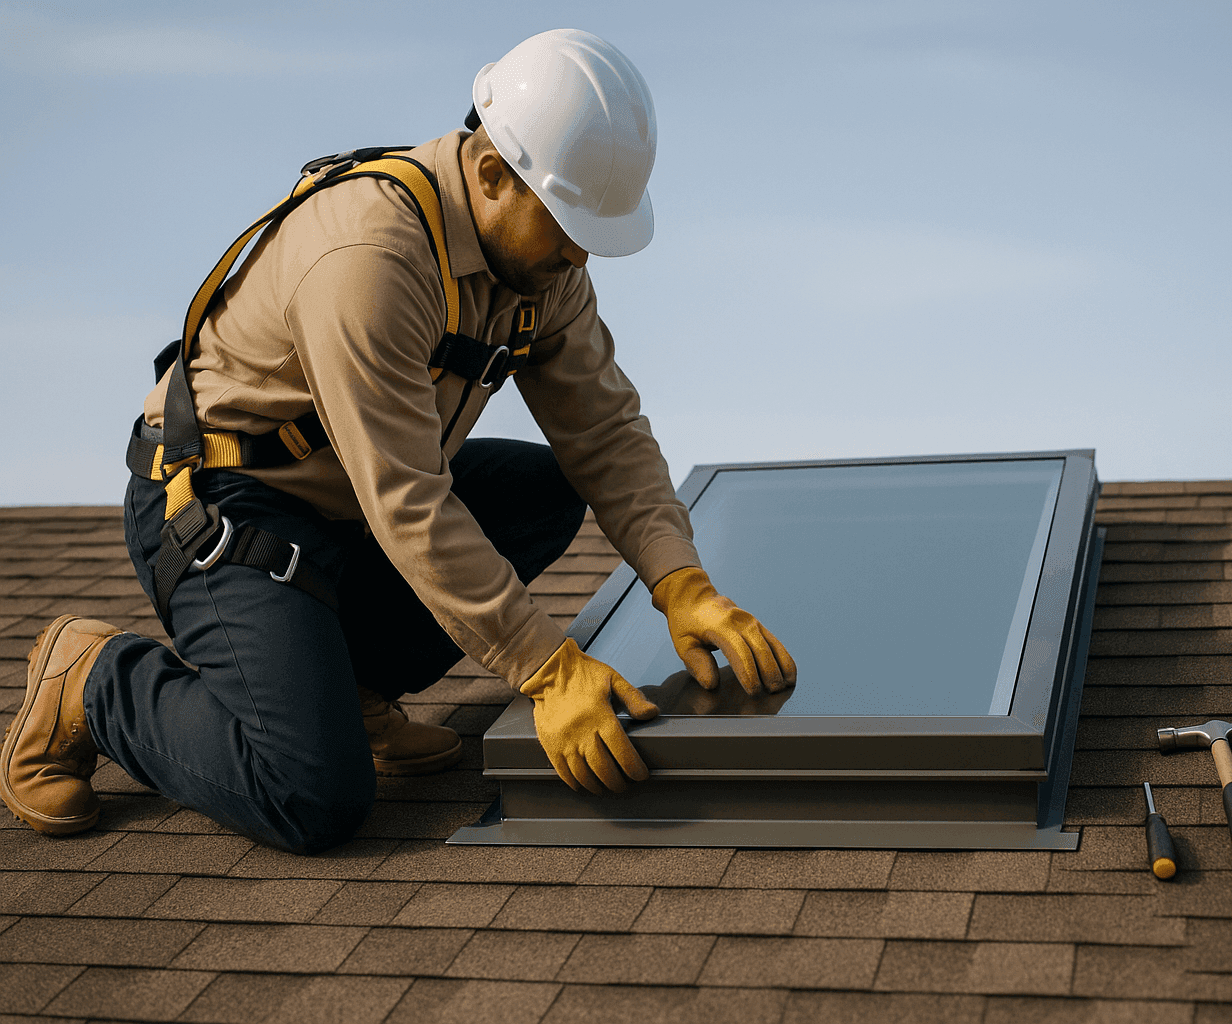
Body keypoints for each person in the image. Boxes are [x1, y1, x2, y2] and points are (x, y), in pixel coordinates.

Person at [0, 29, 794, 854]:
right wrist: (548, 670)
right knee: (312, 796)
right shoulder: (367, 259)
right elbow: (409, 497)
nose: (579, 252)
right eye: (566, 224)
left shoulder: (543, 264)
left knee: (545, 493)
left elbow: (603, 425)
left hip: (346, 503)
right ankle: (93, 681)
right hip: (228, 507)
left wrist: (680, 579)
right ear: (491, 173)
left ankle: (345, 685)